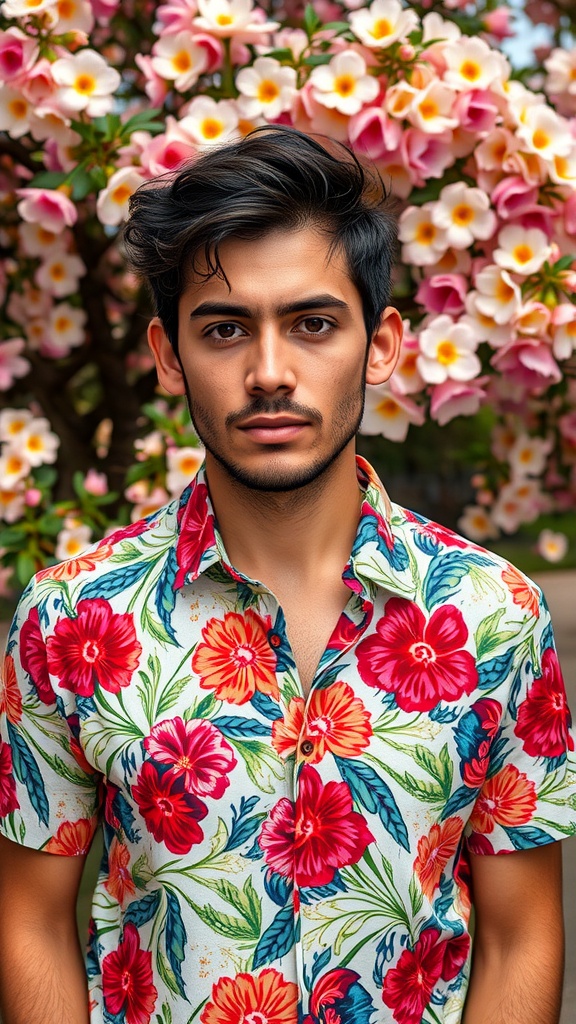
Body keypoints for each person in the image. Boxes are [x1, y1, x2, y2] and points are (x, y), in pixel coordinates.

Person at [0, 126, 575, 1024]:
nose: (270, 373)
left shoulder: (495, 615)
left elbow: (522, 932)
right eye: (225, 329)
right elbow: (30, 919)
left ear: (381, 345)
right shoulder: (72, 617)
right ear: (167, 354)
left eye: (313, 323)